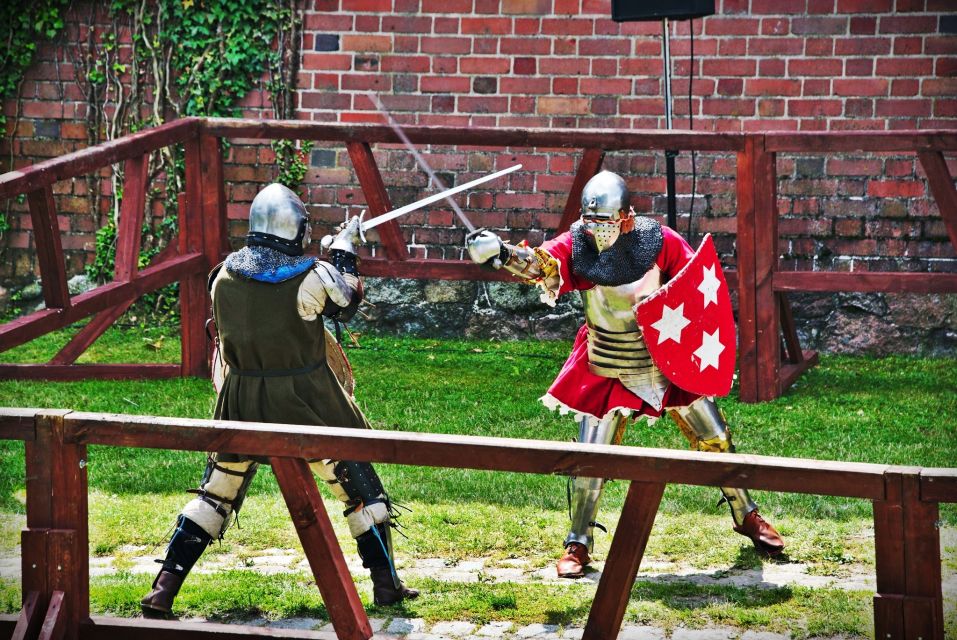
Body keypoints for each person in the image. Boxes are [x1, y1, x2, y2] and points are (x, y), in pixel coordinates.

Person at [465, 170, 785, 578]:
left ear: (627, 217)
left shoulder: (661, 241)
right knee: (590, 458)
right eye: (590, 221)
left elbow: (695, 286)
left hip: (665, 360)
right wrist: (504, 254)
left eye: (605, 221)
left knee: (715, 436)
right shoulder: (577, 243)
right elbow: (543, 266)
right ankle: (578, 542)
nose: (595, 229)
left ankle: (747, 514)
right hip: (608, 360)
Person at [141, 183, 418, 618]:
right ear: (296, 229)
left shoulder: (222, 276)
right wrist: (344, 250)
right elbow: (346, 302)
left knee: (217, 494)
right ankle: (386, 586)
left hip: (242, 402)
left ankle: (163, 588)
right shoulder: (312, 276)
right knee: (361, 489)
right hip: (308, 405)